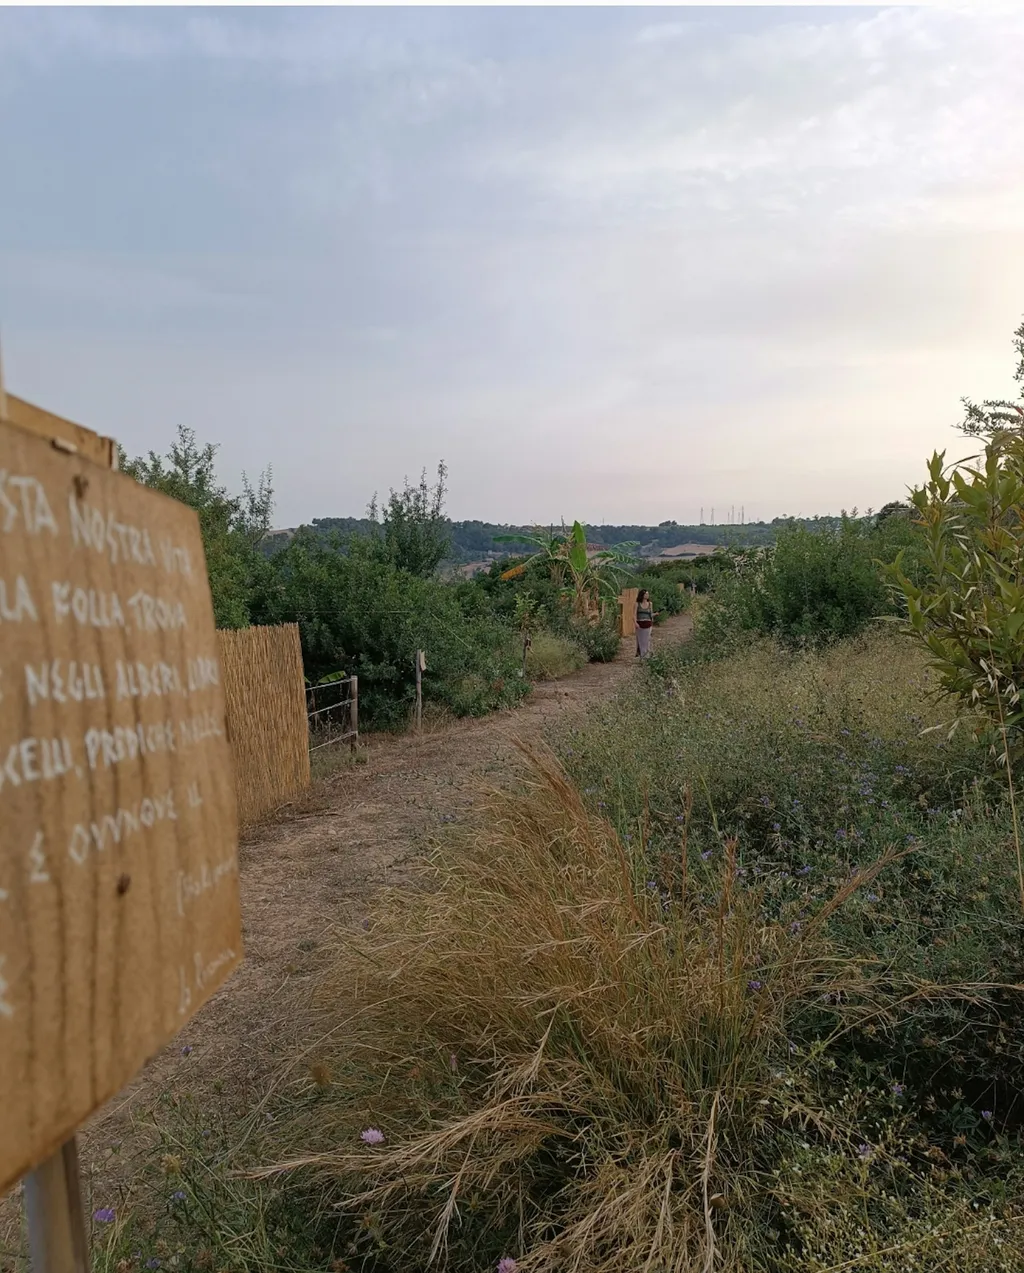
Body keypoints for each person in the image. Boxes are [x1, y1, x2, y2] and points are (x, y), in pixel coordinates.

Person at [635, 588, 658, 658]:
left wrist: (655, 614)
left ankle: (647, 655)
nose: (647, 595)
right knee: (640, 640)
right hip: (640, 623)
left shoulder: (650, 604)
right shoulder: (637, 604)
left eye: (648, 594)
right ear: (642, 595)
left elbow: (650, 614)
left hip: (648, 623)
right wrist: (635, 622)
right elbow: (634, 615)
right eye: (646, 594)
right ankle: (642, 654)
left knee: (647, 639)